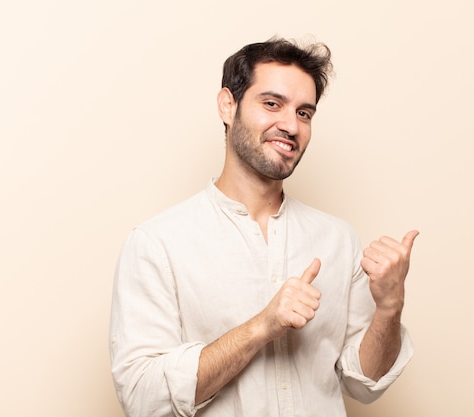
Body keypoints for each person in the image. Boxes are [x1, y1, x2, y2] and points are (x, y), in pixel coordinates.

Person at [109, 37, 419, 417]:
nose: (290, 125)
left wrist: (390, 307)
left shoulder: (338, 240)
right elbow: (142, 397)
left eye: (305, 113)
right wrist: (260, 327)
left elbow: (363, 383)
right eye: (272, 104)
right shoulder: (158, 244)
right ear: (228, 105)